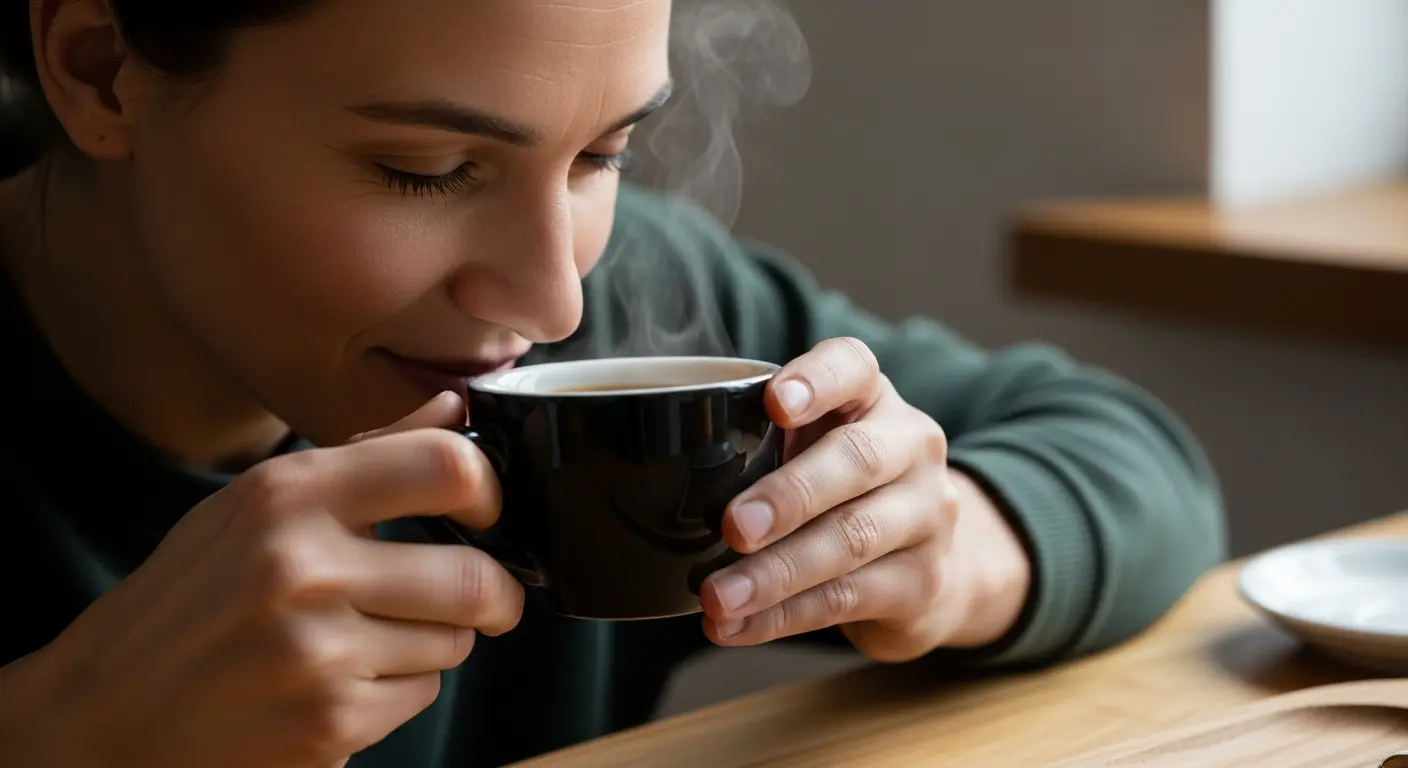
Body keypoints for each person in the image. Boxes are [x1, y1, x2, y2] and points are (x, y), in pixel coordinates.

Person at [0, 1, 1226, 766]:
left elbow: (1128, 454)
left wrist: (951, 548)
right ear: (103, 68)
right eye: (427, 169)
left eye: (604, 154)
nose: (554, 304)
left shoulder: (637, 300)